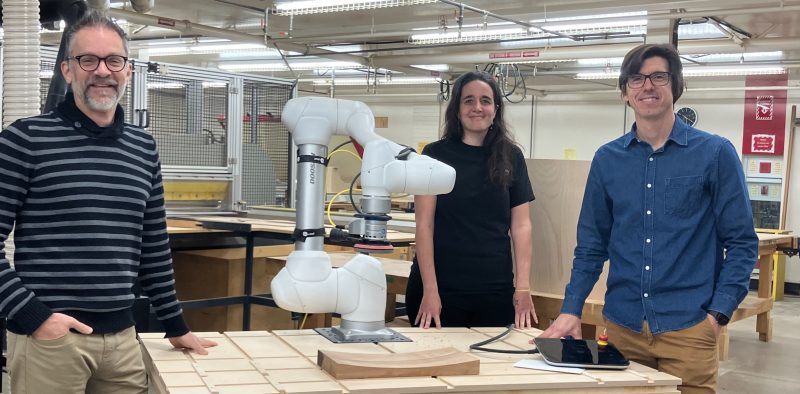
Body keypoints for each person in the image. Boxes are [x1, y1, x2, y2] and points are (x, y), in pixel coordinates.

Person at [0, 11, 217, 394]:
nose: (103, 70)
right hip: (50, 341)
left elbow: (152, 246)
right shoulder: (26, 140)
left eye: (113, 60)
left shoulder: (143, 147)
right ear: (67, 70)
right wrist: (35, 318)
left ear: (128, 70)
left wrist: (175, 324)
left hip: (123, 339)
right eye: (89, 60)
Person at [536, 43, 758, 393]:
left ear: (675, 86)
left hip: (689, 327)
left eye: (658, 76)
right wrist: (571, 309)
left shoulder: (715, 154)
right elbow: (592, 246)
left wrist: (717, 316)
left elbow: (743, 243)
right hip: (623, 328)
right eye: (636, 79)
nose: (647, 86)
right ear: (625, 93)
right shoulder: (607, 160)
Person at [406, 71, 538, 329]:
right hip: (441, 290)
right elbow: (424, 226)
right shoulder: (433, 155)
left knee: (493, 366)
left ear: (496, 109)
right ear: (456, 109)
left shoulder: (511, 156)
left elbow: (521, 226)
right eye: (468, 100)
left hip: (494, 290)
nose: (477, 107)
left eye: (485, 101)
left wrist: (522, 287)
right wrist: (431, 291)